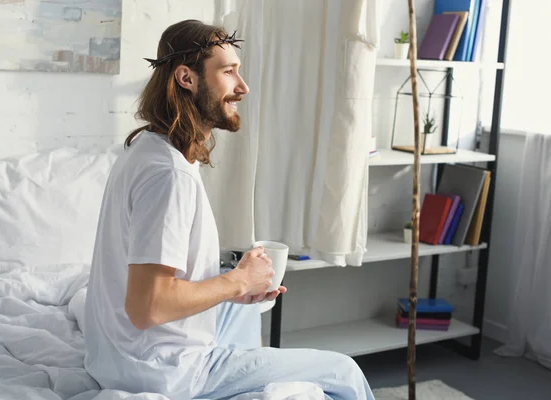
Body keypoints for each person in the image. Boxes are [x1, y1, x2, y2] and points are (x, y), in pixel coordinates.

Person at [83, 19, 375, 400]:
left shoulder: (147, 149)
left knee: (244, 311)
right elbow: (147, 306)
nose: (243, 86)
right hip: (161, 371)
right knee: (344, 371)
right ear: (186, 78)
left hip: (115, 355)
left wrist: (236, 288)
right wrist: (237, 281)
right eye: (228, 72)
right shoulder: (169, 176)